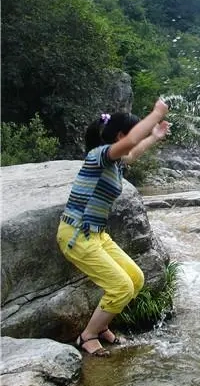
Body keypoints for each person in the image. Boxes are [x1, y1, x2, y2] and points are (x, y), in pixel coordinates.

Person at [56, 99, 170, 357]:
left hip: (96, 234)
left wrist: (153, 135)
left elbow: (132, 153)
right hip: (76, 234)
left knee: (136, 278)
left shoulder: (114, 161)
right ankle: (87, 336)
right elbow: (129, 145)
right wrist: (155, 114)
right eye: (130, 133)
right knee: (121, 287)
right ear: (119, 135)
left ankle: (102, 324)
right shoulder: (99, 156)